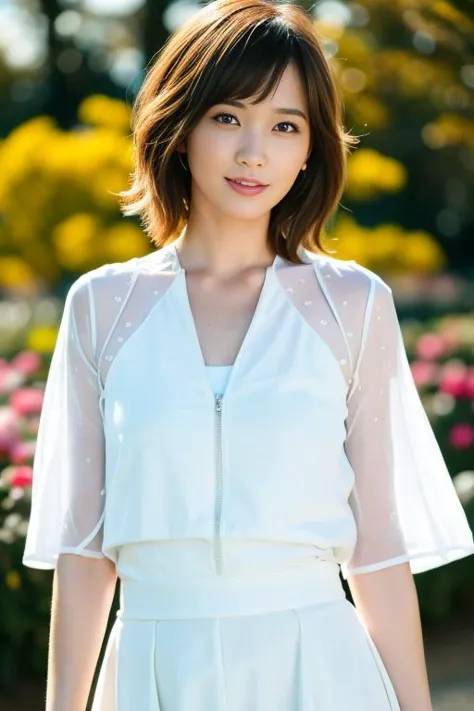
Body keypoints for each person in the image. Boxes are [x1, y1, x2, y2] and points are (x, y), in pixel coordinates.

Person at [22, 1, 474, 710]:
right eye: (229, 116)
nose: (254, 152)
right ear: (181, 126)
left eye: (285, 125)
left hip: (321, 668)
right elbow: (84, 545)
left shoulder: (351, 303)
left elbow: (379, 545)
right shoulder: (101, 307)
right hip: (151, 667)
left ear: (311, 147)